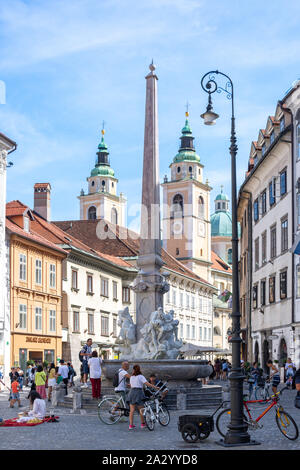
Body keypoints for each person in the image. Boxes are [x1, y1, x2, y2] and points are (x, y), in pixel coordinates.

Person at [128, 364, 159, 430]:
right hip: (139, 392)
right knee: (141, 409)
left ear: (133, 370)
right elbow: (147, 384)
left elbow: (131, 385)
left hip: (132, 392)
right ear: (139, 369)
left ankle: (131, 425)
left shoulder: (131, 377)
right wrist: (155, 387)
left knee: (132, 410)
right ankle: (142, 424)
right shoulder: (141, 376)